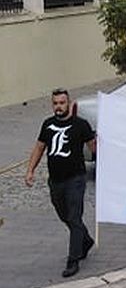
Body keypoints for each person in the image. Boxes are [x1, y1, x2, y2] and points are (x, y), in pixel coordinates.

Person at [25, 88, 97, 278]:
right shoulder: (47, 125)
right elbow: (39, 148)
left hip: (76, 179)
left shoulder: (81, 125)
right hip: (55, 180)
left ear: (69, 103)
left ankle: (73, 260)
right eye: (55, 103)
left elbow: (94, 148)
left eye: (62, 103)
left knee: (74, 217)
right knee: (64, 215)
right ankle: (86, 239)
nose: (58, 107)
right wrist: (30, 170)